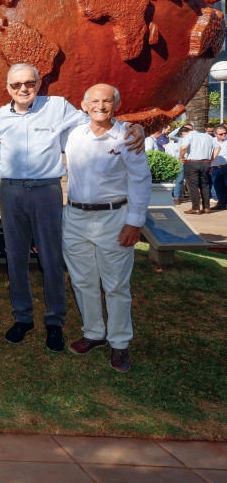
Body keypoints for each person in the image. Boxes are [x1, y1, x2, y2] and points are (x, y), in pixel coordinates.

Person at [0, 63, 143, 352]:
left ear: (38, 83)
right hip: (10, 190)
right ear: (7, 88)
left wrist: (132, 127)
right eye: (16, 85)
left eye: (30, 83)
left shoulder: (58, 106)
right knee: (16, 258)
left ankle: (54, 322)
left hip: (46, 191)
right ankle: (23, 318)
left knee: (51, 259)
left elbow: (98, 119)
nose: (23, 89)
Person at [62, 84, 150, 372]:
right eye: (95, 101)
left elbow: (140, 181)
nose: (101, 106)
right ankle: (93, 333)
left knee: (116, 285)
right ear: (84, 106)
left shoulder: (127, 137)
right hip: (74, 217)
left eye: (107, 101)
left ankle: (120, 343)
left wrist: (134, 223)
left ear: (116, 105)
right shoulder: (73, 132)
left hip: (114, 218)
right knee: (82, 281)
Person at [178, 123, 218, 213]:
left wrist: (181, 157)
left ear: (185, 132)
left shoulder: (189, 136)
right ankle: (206, 207)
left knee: (193, 185)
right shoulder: (208, 136)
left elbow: (184, 147)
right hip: (206, 163)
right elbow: (217, 147)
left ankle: (195, 208)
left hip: (192, 162)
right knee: (205, 185)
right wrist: (211, 159)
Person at [211, 125, 227, 209]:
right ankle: (221, 203)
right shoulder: (211, 141)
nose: (224, 135)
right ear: (215, 134)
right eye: (221, 134)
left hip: (226, 167)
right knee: (218, 187)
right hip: (215, 168)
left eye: (225, 133)